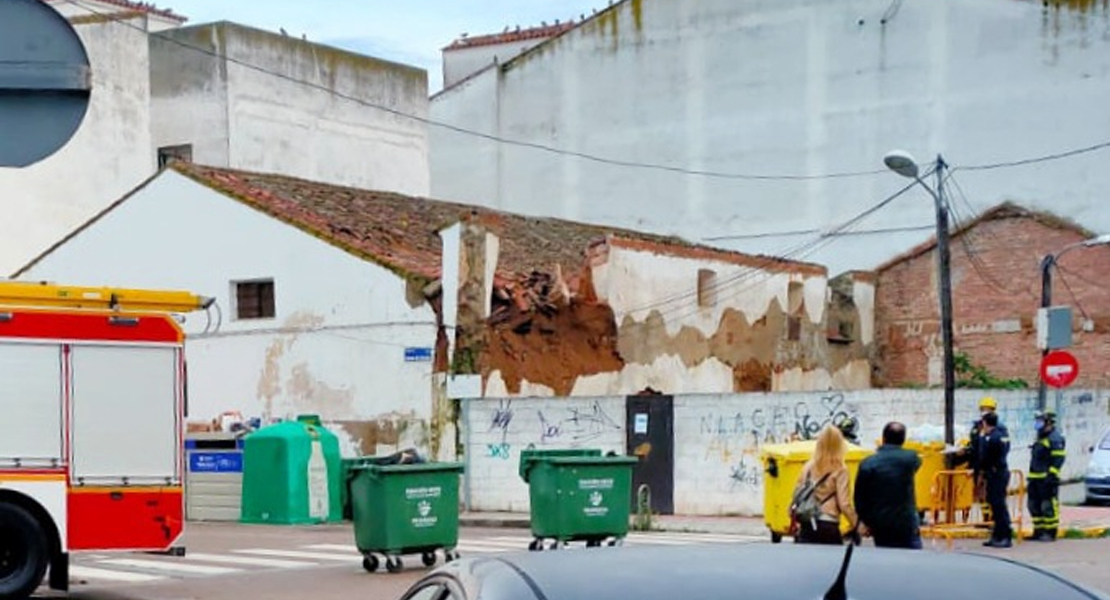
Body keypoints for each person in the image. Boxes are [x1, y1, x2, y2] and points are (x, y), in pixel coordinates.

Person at [854, 421, 923, 549]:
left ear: (883, 438)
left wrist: (866, 521)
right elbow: (918, 463)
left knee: (886, 558)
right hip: (906, 521)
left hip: (880, 523)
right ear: (903, 439)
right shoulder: (911, 458)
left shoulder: (868, 463)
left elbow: (860, 499)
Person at [792, 425, 860, 545]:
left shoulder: (808, 466)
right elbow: (844, 504)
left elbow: (797, 494)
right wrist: (856, 524)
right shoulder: (840, 469)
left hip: (807, 524)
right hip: (828, 523)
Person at [952, 397, 1007, 521]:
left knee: (989, 494)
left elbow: (1000, 449)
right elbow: (974, 444)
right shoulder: (977, 426)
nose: (985, 411)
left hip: (991, 467)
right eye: (983, 409)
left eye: (988, 409)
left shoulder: (999, 428)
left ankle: (991, 518)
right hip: (977, 464)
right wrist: (965, 451)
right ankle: (983, 517)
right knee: (980, 493)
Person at [1027, 410, 1066, 542]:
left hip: (1047, 479)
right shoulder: (1040, 436)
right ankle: (1038, 531)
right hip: (1034, 477)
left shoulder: (1055, 438)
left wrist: (1052, 474)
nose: (1038, 424)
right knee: (1033, 505)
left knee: (1047, 506)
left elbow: (1059, 458)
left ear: (1048, 422)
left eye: (1040, 421)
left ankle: (1050, 532)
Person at [978, 411, 1013, 548]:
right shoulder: (1000, 435)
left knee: (999, 506)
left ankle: (1005, 536)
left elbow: (985, 456)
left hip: (996, 474)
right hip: (997, 473)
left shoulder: (992, 438)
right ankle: (997, 535)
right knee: (995, 506)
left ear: (985, 423)